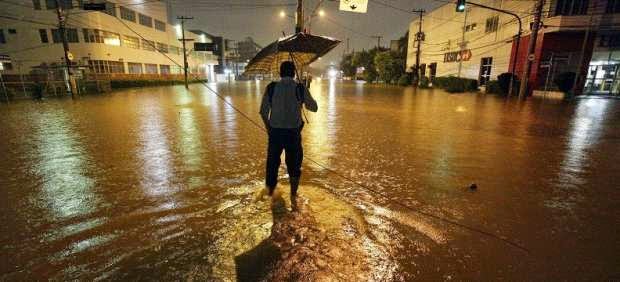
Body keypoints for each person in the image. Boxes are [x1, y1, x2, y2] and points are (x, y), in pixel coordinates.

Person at [259, 61, 318, 201]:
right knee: (294, 165)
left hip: (275, 133)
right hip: (293, 134)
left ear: (280, 73)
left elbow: (263, 112)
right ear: (293, 73)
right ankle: (293, 195)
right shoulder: (300, 88)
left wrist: (269, 129)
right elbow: (314, 107)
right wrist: (303, 94)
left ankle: (270, 195)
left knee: (272, 164)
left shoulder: (271, 88)